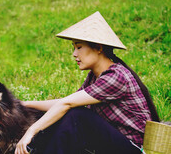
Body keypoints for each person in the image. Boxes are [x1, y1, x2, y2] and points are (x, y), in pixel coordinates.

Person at [14, 11, 160, 154]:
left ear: (98, 48)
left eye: (79, 47)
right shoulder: (94, 77)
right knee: (65, 114)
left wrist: (31, 131)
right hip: (113, 143)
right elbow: (64, 102)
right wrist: (24, 104)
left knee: (77, 116)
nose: (74, 54)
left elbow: (67, 104)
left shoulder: (116, 76)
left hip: (132, 148)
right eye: (74, 48)